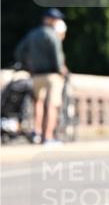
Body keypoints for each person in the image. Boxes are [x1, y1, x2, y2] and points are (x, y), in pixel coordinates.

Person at [14, 7, 68, 145]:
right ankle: (48, 137)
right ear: (49, 20)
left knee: (38, 103)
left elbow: (19, 51)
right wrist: (61, 69)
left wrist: (27, 65)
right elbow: (58, 57)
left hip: (36, 74)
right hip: (52, 75)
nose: (57, 21)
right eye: (55, 19)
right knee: (52, 105)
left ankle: (37, 132)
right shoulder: (53, 35)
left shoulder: (32, 34)